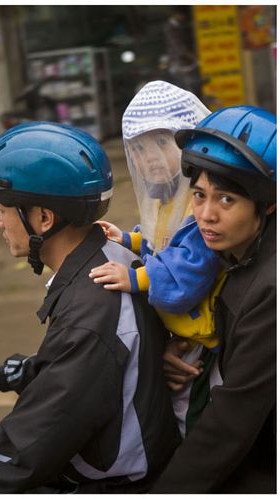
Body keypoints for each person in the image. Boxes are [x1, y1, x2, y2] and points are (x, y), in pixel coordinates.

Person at [0, 122, 181, 493]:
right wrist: (1, 375)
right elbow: (76, 369)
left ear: (43, 218)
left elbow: (20, 454)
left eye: (1, 209)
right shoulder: (111, 256)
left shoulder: (89, 312)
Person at [151, 105, 276, 493]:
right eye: (200, 196)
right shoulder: (227, 257)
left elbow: (232, 419)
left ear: (267, 204)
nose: (205, 215)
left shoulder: (270, 288)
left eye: (226, 201)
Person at [90, 80, 223, 351]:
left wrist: (134, 278)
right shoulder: (169, 196)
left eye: (162, 142)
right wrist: (131, 239)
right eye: (138, 149)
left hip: (203, 341)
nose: (150, 157)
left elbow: (188, 268)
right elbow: (165, 238)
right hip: (179, 333)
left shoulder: (200, 206)